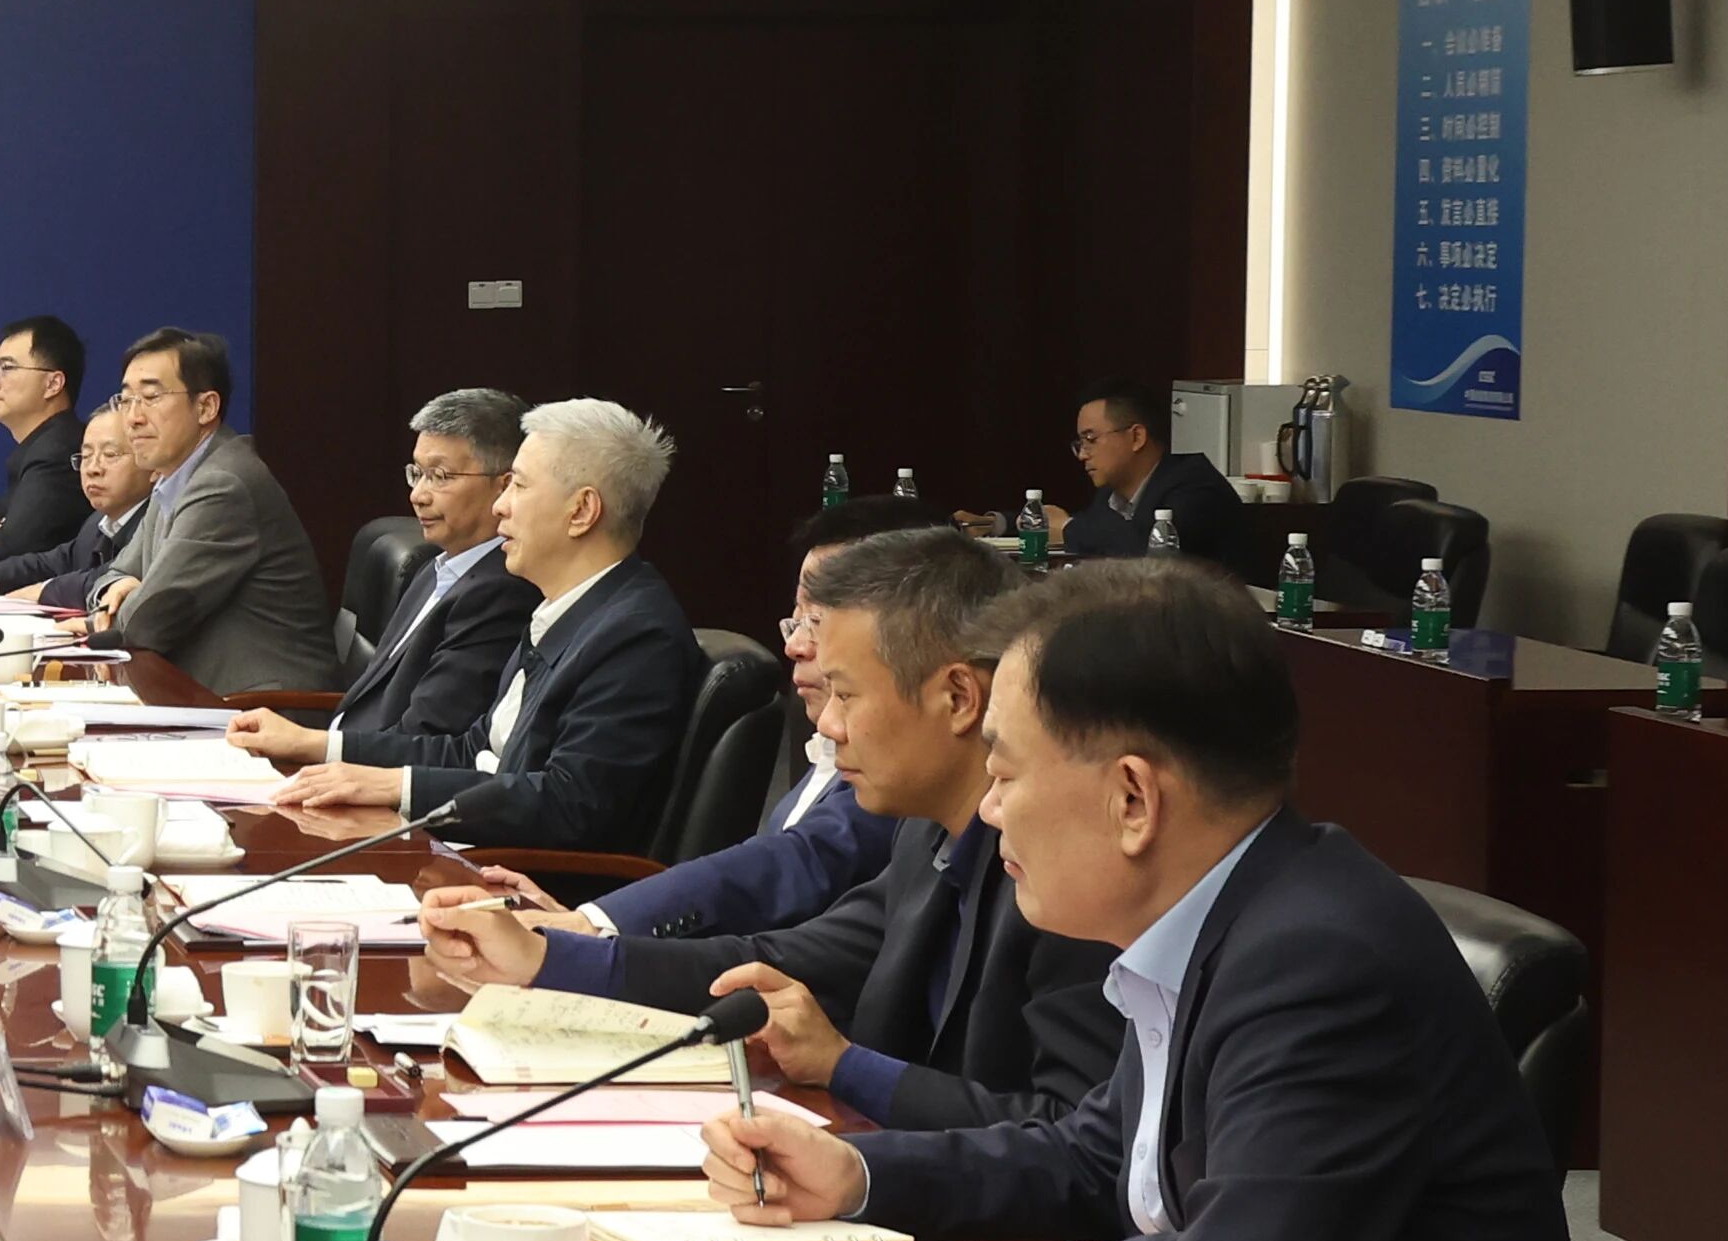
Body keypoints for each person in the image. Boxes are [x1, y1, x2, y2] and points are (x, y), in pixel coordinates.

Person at [697, 563, 1599, 1241]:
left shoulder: (1317, 962)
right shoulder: (1222, 916)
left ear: (1132, 798)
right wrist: (858, 1174)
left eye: (1003, 772)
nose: (990, 809)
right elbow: (1095, 1157)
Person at [421, 530, 1120, 1131]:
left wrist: (845, 1068)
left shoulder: (1073, 876)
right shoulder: (927, 836)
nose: (827, 724)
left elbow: (1078, 1143)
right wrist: (548, 958)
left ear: (958, 696)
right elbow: (782, 957)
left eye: (846, 694)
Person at [433, 494, 940, 971]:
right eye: (796, 620)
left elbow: (798, 872)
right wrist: (589, 923)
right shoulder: (835, 745)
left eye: (818, 621)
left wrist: (595, 929)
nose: (796, 647)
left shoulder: (902, 779)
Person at [271, 396, 701, 852]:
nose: (501, 507)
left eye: (519, 486)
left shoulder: (634, 635)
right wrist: (351, 767)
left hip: (524, 879)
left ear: (581, 512)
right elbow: (473, 748)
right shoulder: (568, 607)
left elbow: (570, 804)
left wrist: (399, 788)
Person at [227, 388, 535, 761]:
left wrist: (309, 745)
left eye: (439, 476)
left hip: (369, 779)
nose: (418, 495)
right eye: (416, 474)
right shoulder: (433, 568)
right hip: (338, 759)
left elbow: (426, 736)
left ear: (505, 486)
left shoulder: (501, 592)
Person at [84, 328, 337, 696]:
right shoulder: (173, 475)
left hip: (262, 703)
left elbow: (145, 623)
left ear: (205, 407)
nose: (133, 418)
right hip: (199, 691)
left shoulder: (223, 484)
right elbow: (116, 572)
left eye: (151, 397)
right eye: (126, 400)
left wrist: (122, 607)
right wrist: (115, 593)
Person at [963, 377, 1246, 568]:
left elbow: (1146, 553)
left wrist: (1068, 528)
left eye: (1091, 439)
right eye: (1080, 443)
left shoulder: (1195, 487)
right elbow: (1091, 529)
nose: (1083, 454)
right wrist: (996, 524)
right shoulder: (1111, 494)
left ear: (1136, 437)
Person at [0, 404, 139, 604]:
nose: (92, 469)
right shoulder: (97, 522)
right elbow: (52, 563)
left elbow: (110, 576)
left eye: (110, 454)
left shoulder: (154, 525)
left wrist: (44, 590)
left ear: (150, 464)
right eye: (86, 456)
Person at [0, 315, 88, 565]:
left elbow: (10, 548)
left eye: (7, 368)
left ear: (53, 384)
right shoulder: (40, 445)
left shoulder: (59, 450)